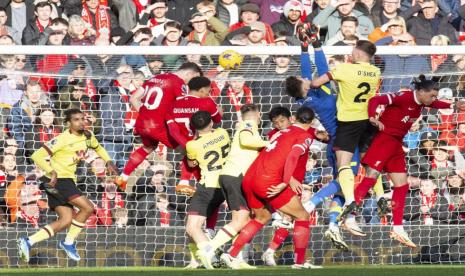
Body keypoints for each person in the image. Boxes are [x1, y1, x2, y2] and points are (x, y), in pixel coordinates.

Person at [339, 75, 462, 248]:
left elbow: (436, 104)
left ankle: (397, 227)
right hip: (384, 139)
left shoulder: (423, 103)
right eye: (432, 95)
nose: (434, 99)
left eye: (435, 96)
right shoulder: (403, 97)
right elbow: (376, 99)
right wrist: (372, 117)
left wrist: (451, 105)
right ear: (420, 92)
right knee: (371, 176)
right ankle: (349, 217)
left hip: (396, 143)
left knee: (402, 185)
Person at [221, 106, 321, 269]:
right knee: (302, 216)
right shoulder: (303, 135)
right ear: (311, 121)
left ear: (294, 118)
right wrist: (284, 182)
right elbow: (293, 156)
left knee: (262, 217)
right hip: (268, 181)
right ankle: (299, 263)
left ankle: (230, 254)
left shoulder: (278, 133)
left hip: (249, 179)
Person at [17, 109, 117, 262]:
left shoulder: (88, 136)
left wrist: (108, 160)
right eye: (76, 119)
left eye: (82, 119)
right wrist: (52, 171)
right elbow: (36, 155)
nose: (81, 122)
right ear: (69, 123)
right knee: (88, 208)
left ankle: (28, 241)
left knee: (65, 220)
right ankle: (68, 242)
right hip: (59, 180)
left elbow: (99, 148)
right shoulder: (62, 139)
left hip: (66, 180)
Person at [309, 39, 381, 232]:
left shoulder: (345, 69)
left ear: (357, 53)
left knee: (343, 168)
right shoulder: (375, 72)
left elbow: (317, 82)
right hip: (367, 122)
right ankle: (378, 196)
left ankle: (349, 203)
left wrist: (312, 81)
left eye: (352, 50)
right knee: (369, 164)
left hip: (348, 123)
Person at [114, 62, 203, 191]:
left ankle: (123, 177)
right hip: (158, 126)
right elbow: (183, 106)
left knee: (147, 148)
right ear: (190, 73)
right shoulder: (178, 82)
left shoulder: (154, 79)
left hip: (143, 123)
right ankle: (185, 182)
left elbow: (133, 98)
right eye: (195, 79)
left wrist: (147, 114)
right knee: (189, 148)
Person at [200, 104, 268, 269]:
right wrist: (269, 142)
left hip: (233, 176)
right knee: (240, 220)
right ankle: (208, 249)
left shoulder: (245, 126)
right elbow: (246, 139)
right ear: (258, 114)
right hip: (235, 176)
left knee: (245, 220)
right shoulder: (248, 125)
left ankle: (235, 257)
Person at [184, 111, 230, 270]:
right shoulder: (223, 133)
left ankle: (211, 255)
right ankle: (197, 260)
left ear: (194, 127)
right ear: (211, 123)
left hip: (208, 186)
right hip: (225, 185)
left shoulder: (192, 145)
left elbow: (191, 164)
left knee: (192, 228)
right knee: (195, 226)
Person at [165, 76, 222, 193]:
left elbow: (173, 131)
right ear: (202, 90)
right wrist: (220, 110)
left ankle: (184, 182)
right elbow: (217, 119)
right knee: (210, 184)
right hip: (205, 145)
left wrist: (187, 146)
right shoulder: (206, 102)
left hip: (184, 144)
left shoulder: (172, 105)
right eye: (208, 91)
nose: (209, 93)